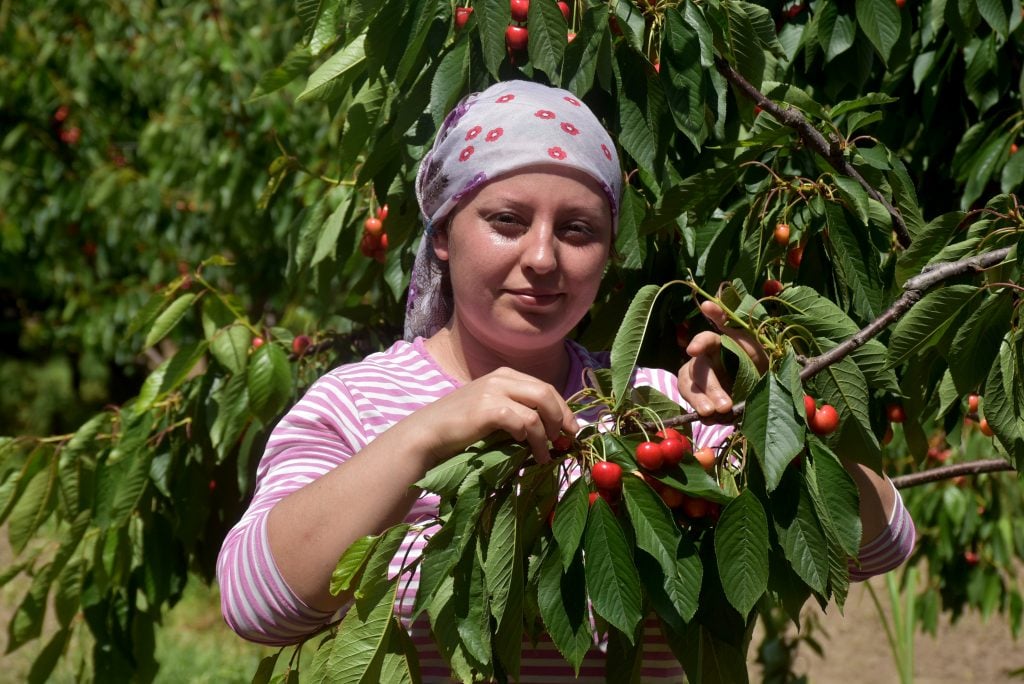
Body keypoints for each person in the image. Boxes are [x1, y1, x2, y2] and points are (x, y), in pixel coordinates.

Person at [216, 80, 914, 681]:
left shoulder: (662, 413)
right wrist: (426, 436)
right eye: (506, 220)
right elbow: (255, 603)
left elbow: (883, 542)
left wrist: (772, 413)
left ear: (609, 252)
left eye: (578, 230)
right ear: (441, 233)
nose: (543, 257)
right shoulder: (355, 405)